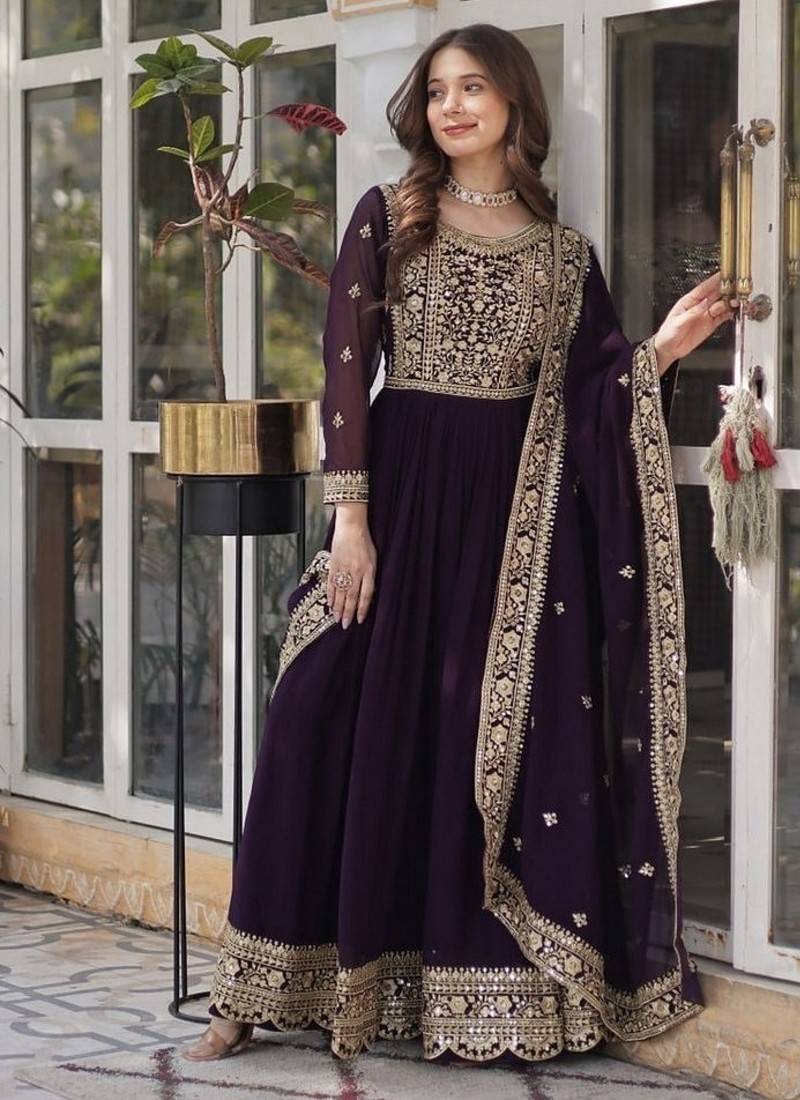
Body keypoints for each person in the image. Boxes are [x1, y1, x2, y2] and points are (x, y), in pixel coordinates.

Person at [182, 21, 736, 1065]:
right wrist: (351, 524)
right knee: (315, 711)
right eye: (437, 90)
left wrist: (658, 352)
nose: (453, 107)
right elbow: (346, 367)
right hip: (395, 502)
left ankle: (459, 995)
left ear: (513, 101)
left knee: (464, 737)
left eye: (473, 86)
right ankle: (254, 987)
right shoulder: (389, 215)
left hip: (506, 527)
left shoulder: (563, 254)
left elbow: (586, 395)